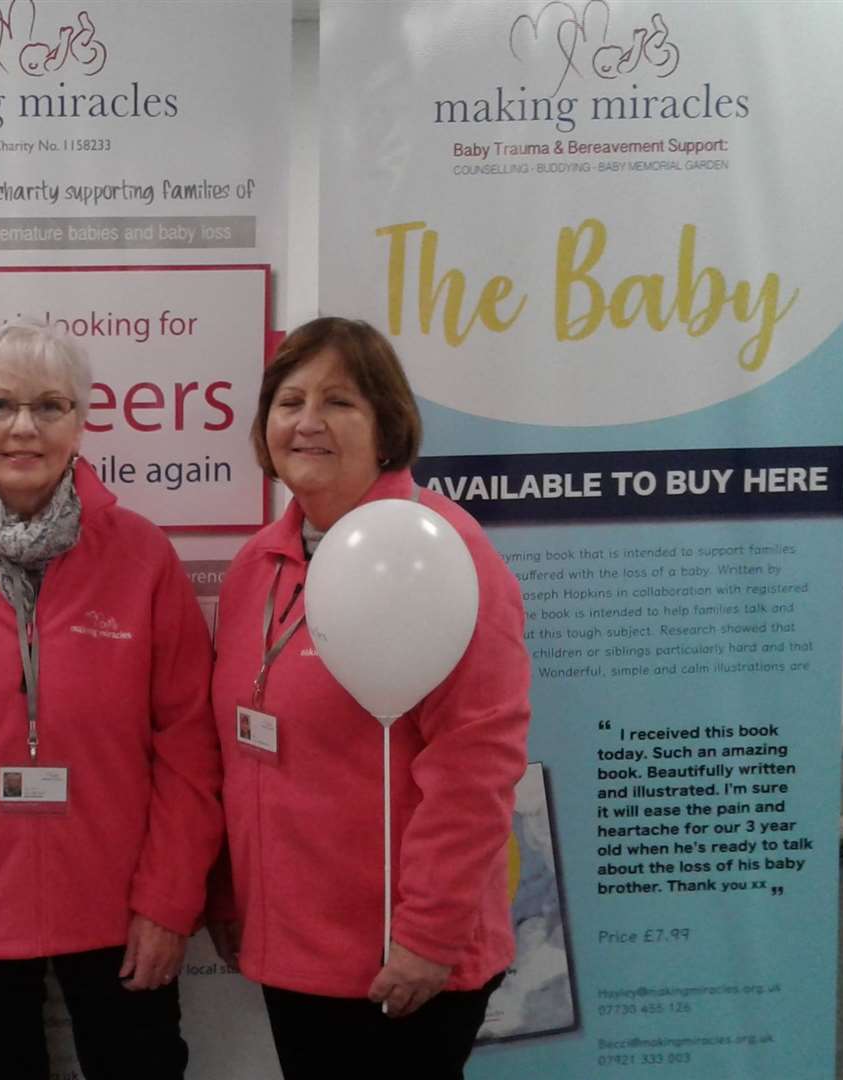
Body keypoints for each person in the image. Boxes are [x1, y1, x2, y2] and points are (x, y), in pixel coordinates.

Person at [0, 323, 221, 1080]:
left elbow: (189, 745)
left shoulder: (142, 556)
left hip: (123, 912)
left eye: (50, 406)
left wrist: (168, 900)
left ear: (81, 424)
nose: (24, 427)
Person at [206, 317, 531, 1080]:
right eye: (289, 401)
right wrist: (228, 893)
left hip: (407, 958)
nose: (307, 422)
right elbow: (239, 754)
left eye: (340, 402)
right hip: (294, 947)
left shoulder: (445, 556)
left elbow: (476, 767)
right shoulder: (258, 566)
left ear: (388, 427)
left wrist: (428, 935)